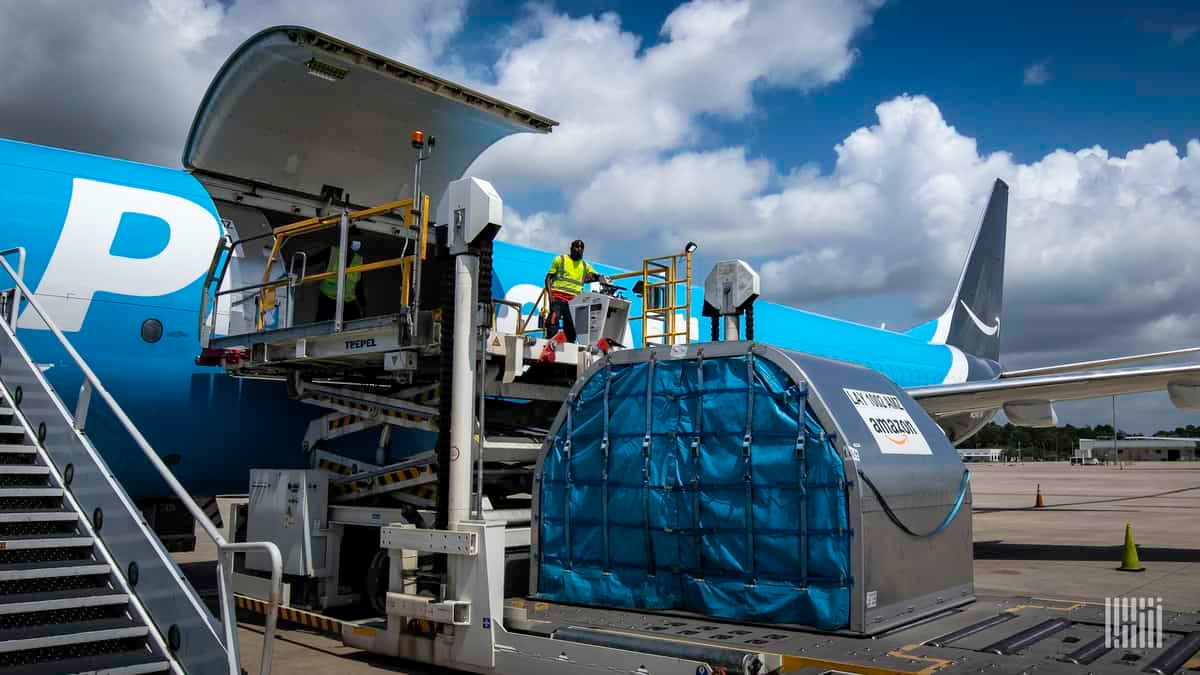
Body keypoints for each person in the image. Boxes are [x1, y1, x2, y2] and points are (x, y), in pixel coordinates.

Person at [544, 239, 601, 342]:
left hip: (574, 301)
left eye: (581, 248)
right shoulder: (560, 259)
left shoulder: (584, 265)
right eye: (577, 247)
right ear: (571, 249)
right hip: (558, 297)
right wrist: (550, 296)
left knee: (571, 325)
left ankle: (570, 344)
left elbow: (596, 276)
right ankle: (550, 341)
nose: (579, 249)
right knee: (554, 317)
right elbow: (548, 278)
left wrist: (591, 278)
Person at [313, 229, 367, 322]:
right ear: (347, 240)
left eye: (359, 241)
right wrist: (292, 266)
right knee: (321, 324)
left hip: (347, 299)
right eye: (355, 240)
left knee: (355, 324)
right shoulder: (332, 252)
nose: (358, 243)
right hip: (328, 296)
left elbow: (359, 285)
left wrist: (363, 305)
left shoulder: (359, 260)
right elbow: (313, 260)